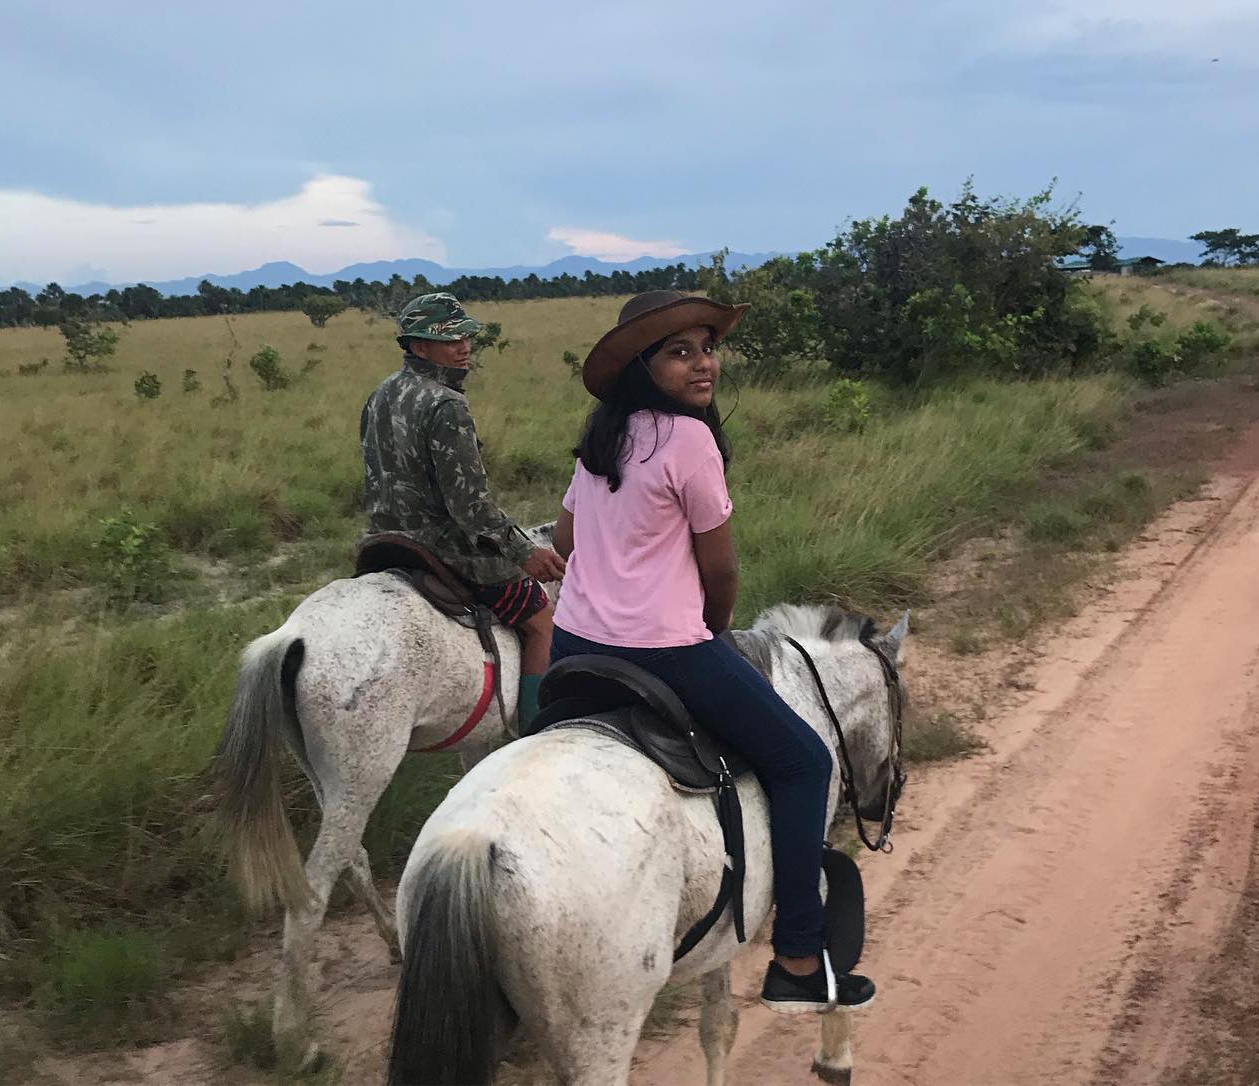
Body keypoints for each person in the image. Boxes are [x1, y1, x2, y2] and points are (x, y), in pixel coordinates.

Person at [549, 290, 875, 1012]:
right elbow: (720, 572)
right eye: (680, 351)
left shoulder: (602, 438)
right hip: (664, 651)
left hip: (573, 643)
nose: (704, 363)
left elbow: (567, 545)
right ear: (643, 365)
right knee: (803, 761)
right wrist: (717, 628)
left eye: (706, 347)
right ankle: (796, 955)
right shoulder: (688, 440)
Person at [360, 292, 565, 715]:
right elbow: (470, 507)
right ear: (419, 347)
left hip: (384, 540)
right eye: (450, 339)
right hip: (446, 549)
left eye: (465, 336)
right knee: (543, 624)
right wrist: (524, 553)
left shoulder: (380, 393)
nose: (464, 346)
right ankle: (535, 728)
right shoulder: (447, 405)